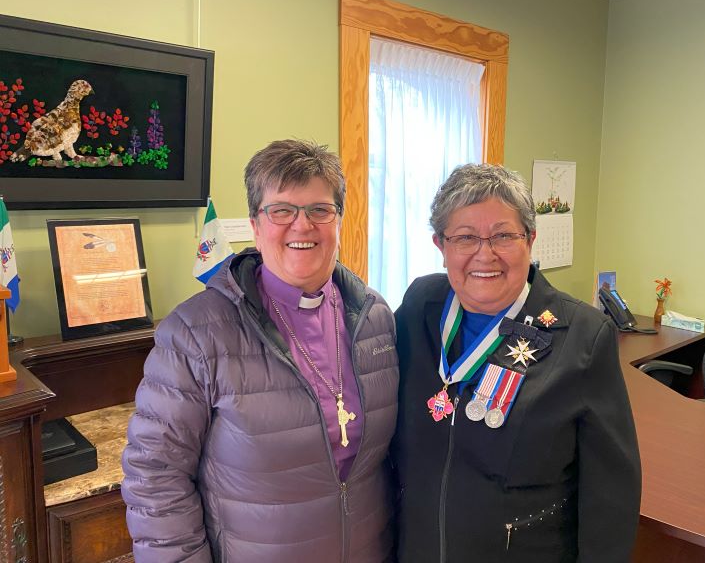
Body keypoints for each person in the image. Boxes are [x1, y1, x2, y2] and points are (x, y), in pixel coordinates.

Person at [122, 139, 399, 562]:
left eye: (320, 210)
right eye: (281, 210)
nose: (302, 225)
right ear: (255, 225)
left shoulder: (375, 317)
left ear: (339, 220)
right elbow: (155, 477)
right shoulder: (194, 335)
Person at [392, 164, 641, 562]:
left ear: (531, 239)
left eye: (503, 235)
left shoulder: (582, 335)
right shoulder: (420, 306)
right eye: (465, 237)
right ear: (441, 246)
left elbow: (611, 494)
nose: (484, 253)